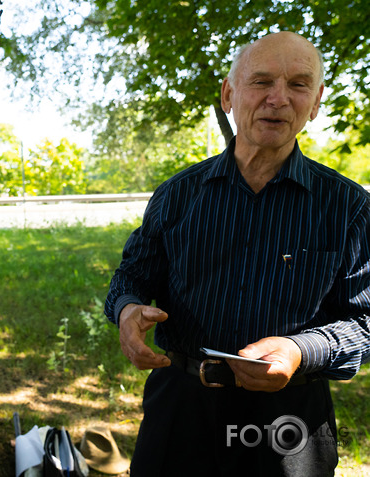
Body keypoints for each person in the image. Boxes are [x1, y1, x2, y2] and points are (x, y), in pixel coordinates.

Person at [105, 31, 370, 476]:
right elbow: (132, 276)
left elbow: (364, 323)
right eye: (261, 81)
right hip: (182, 407)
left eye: (299, 85)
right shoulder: (177, 195)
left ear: (317, 100)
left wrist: (299, 349)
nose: (279, 98)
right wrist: (128, 310)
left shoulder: (348, 208)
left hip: (290, 421)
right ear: (229, 94)